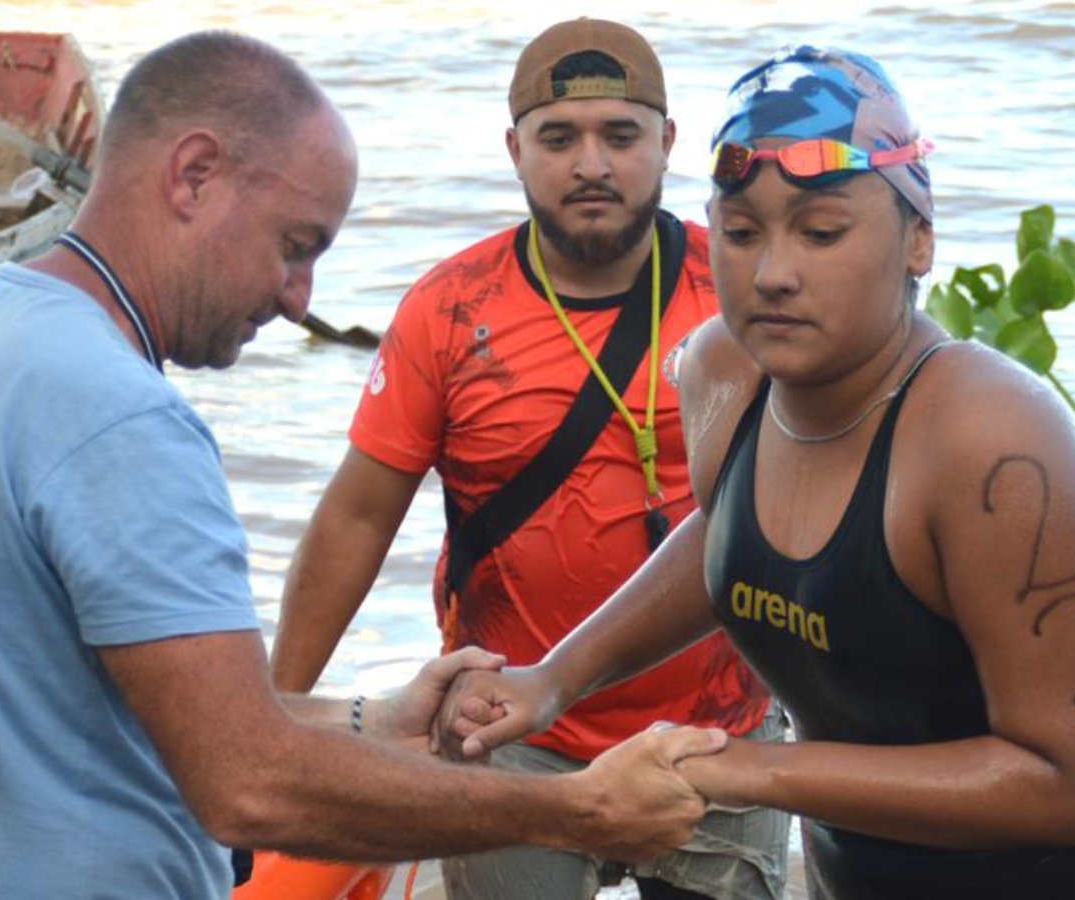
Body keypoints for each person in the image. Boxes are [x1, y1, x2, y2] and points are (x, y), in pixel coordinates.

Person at [439, 45, 1075, 900]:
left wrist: (744, 770)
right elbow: (733, 540)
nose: (774, 273)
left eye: (821, 232)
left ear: (918, 241)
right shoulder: (723, 374)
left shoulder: (992, 439)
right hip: (868, 868)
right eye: (741, 233)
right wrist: (554, 679)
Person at [0, 31, 730, 900]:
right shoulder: (126, 422)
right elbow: (248, 780)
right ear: (192, 175)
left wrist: (373, 717)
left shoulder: (10, 328)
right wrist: (571, 812)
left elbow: (140, 704)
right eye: (295, 245)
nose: (299, 299)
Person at [270, 18, 789, 900]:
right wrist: (272, 712)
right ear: (515, 150)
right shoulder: (449, 308)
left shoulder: (742, 295)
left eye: (620, 136)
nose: (591, 164)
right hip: (509, 735)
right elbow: (358, 518)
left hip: (716, 731)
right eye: (559, 138)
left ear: (666, 143)